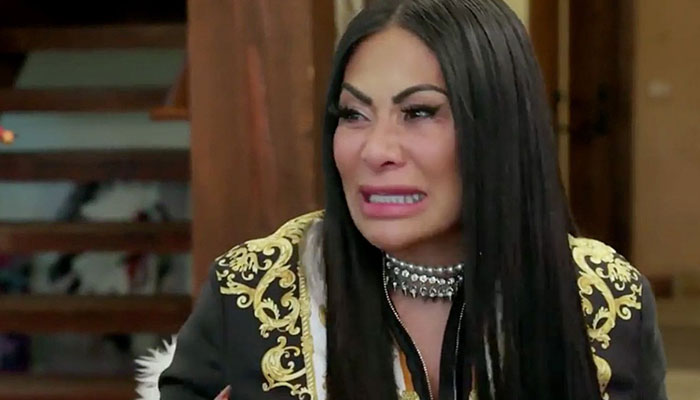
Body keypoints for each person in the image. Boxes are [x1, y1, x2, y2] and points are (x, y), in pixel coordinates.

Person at [153, 1, 668, 399]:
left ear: (498, 128)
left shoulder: (604, 299)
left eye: (419, 112)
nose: (376, 150)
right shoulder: (254, 292)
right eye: (353, 114)